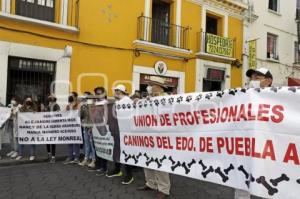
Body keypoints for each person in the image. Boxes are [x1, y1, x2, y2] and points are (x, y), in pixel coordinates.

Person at [234, 67, 273, 199]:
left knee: (269, 183)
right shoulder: (245, 96)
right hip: (245, 146)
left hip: (266, 149)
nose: (252, 81)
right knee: (242, 180)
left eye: (257, 78)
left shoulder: (276, 98)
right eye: (251, 78)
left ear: (268, 81)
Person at [137, 77, 171, 199]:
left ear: (159, 87)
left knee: (160, 162)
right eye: (149, 85)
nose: (149, 87)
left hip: (160, 136)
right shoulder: (148, 99)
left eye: (152, 85)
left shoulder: (166, 98)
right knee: (146, 160)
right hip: (148, 135)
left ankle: (164, 189)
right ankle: (150, 183)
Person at [105, 84, 134, 185]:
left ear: (119, 92)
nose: (114, 93)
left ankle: (129, 175)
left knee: (126, 152)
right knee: (117, 150)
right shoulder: (119, 102)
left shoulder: (126, 101)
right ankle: (117, 170)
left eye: (115, 91)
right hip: (117, 131)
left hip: (125, 132)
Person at [79, 91, 96, 168]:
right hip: (85, 127)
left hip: (91, 128)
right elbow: (81, 116)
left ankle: (93, 160)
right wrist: (81, 107)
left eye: (86, 98)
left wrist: (91, 127)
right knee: (86, 144)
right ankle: (86, 158)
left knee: (92, 145)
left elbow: (94, 118)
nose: (84, 99)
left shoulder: (93, 106)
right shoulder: (83, 106)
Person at [63, 92, 81, 164]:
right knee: (69, 142)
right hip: (69, 125)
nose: (70, 97)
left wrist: (73, 106)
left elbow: (78, 113)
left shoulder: (78, 104)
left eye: (72, 96)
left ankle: (77, 157)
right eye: (69, 95)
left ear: (76, 97)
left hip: (76, 125)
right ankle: (70, 157)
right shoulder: (68, 105)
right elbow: (65, 114)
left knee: (76, 142)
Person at [45, 94, 60, 163]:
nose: (50, 99)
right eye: (49, 98)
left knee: (52, 141)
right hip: (47, 126)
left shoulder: (56, 106)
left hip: (53, 126)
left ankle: (53, 157)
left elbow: (58, 114)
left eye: (51, 98)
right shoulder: (48, 106)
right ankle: (49, 154)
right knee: (47, 140)